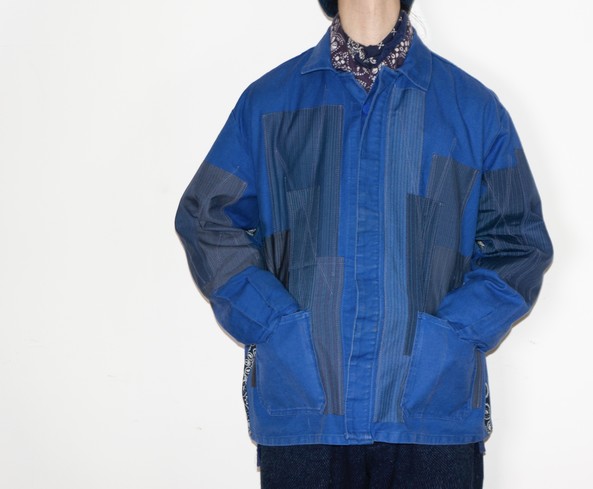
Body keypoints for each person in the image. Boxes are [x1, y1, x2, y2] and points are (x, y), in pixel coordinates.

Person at [175, 0, 553, 487]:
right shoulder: (269, 103)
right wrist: (273, 325)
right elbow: (206, 217)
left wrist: (453, 335)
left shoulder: (471, 108)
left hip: (430, 411)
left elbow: (520, 242)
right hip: (307, 408)